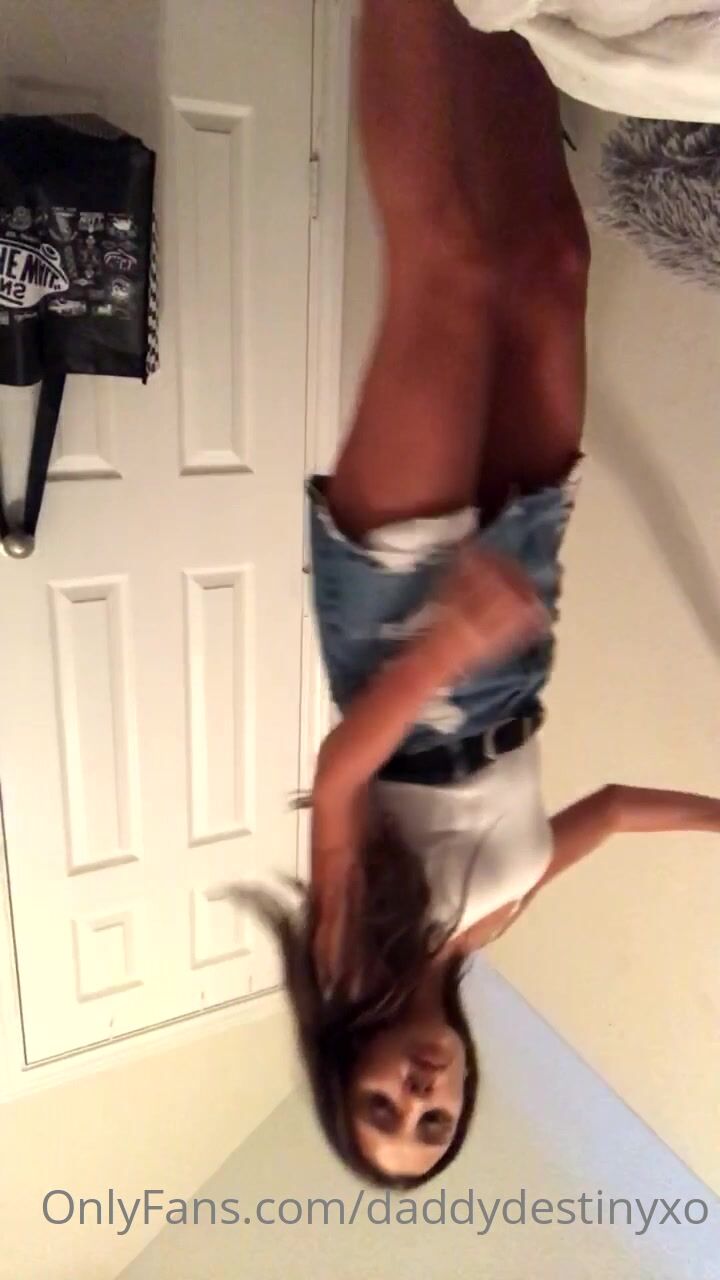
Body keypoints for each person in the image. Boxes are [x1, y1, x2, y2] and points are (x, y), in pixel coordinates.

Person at [247, 0, 720, 1188]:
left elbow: (343, 772)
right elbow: (610, 812)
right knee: (552, 260)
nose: (419, 1095)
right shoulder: (489, 930)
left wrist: (443, 644)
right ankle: (506, 14)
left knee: (446, 268)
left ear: (345, 1066)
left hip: (403, 629)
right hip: (514, 620)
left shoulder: (350, 958)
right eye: (434, 1122)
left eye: (382, 1106)